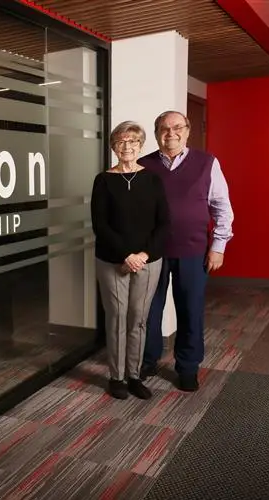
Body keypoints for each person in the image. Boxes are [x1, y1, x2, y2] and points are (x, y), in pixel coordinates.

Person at [138, 111, 234, 392]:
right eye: (164, 128)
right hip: (152, 252)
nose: (171, 133)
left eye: (177, 127)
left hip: (193, 250)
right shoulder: (143, 166)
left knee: (190, 310)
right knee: (148, 310)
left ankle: (188, 367)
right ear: (156, 133)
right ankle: (147, 360)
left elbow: (222, 208)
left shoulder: (207, 163)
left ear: (188, 130)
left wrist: (218, 247)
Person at [91, 121, 170, 400]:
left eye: (133, 141)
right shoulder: (103, 180)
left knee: (138, 319)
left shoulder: (153, 180)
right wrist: (127, 255)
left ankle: (134, 376)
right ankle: (117, 377)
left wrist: (143, 256)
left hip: (148, 261)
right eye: (121, 142)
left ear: (141, 145)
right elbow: (100, 225)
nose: (127, 147)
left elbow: (163, 223)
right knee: (116, 319)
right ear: (114, 147)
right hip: (112, 261)